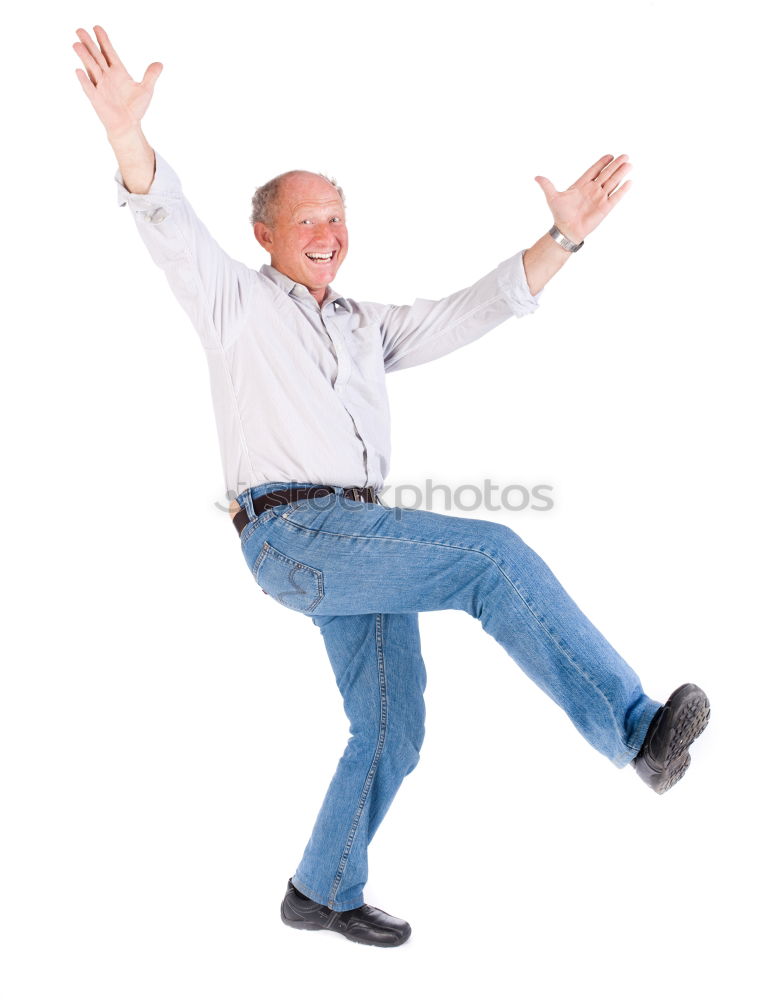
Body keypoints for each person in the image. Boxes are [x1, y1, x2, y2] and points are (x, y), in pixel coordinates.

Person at [74, 25, 710, 949]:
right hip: (295, 536)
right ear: (266, 235)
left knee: (392, 725)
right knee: (492, 555)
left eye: (337, 217)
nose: (329, 234)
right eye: (307, 220)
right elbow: (163, 217)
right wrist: (126, 136)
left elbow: (476, 308)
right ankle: (636, 731)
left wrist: (566, 234)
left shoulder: (367, 327)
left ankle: (320, 889)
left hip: (361, 548)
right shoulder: (234, 303)